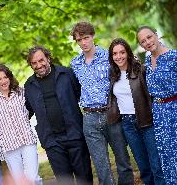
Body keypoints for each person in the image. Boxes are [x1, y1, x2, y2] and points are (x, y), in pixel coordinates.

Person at [70, 21, 133, 185]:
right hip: (89, 118)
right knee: (101, 165)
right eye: (79, 40)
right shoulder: (75, 63)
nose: (83, 42)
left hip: (111, 113)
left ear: (93, 36)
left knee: (122, 159)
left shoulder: (109, 57)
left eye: (86, 37)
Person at [24, 46, 93, 185]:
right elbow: (27, 111)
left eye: (41, 60)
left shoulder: (66, 74)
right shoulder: (29, 85)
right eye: (34, 63)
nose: (39, 65)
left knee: (84, 178)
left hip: (75, 135)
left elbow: (80, 96)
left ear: (48, 58)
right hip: (52, 142)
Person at [107, 38, 165, 185]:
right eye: (115, 53)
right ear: (111, 56)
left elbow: (152, 94)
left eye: (122, 52)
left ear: (128, 53)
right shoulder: (113, 75)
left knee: (156, 165)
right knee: (143, 167)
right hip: (128, 125)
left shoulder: (141, 70)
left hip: (147, 122)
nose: (118, 56)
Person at [0, 64, 41, 185]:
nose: (3, 81)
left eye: (5, 77)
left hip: (27, 140)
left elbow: (31, 110)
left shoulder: (22, 92)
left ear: (9, 77)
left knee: (33, 178)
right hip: (8, 145)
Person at [137, 26, 177, 184]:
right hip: (158, 114)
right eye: (143, 41)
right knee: (165, 156)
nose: (147, 42)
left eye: (149, 37)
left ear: (156, 35)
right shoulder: (147, 61)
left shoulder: (174, 57)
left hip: (174, 110)